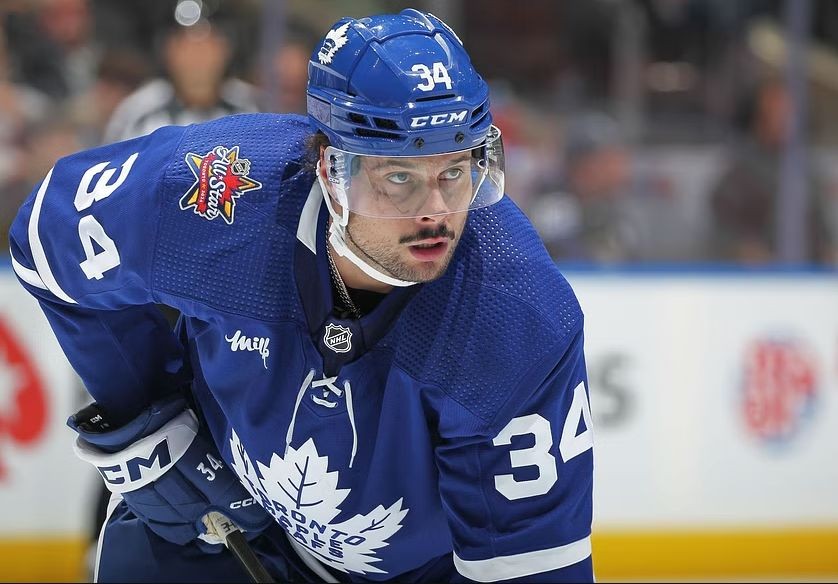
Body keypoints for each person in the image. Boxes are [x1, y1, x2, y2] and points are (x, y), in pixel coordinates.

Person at [9, 9, 594, 583]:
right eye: (399, 177)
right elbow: (47, 233)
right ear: (328, 168)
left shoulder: (516, 313)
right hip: (223, 522)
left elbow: (530, 565)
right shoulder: (215, 193)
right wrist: (148, 410)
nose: (435, 213)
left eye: (454, 172)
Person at [102, 12, 259, 143]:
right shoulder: (137, 113)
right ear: (167, 52)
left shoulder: (253, 109)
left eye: (207, 44)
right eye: (186, 45)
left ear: (226, 50)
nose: (197, 56)